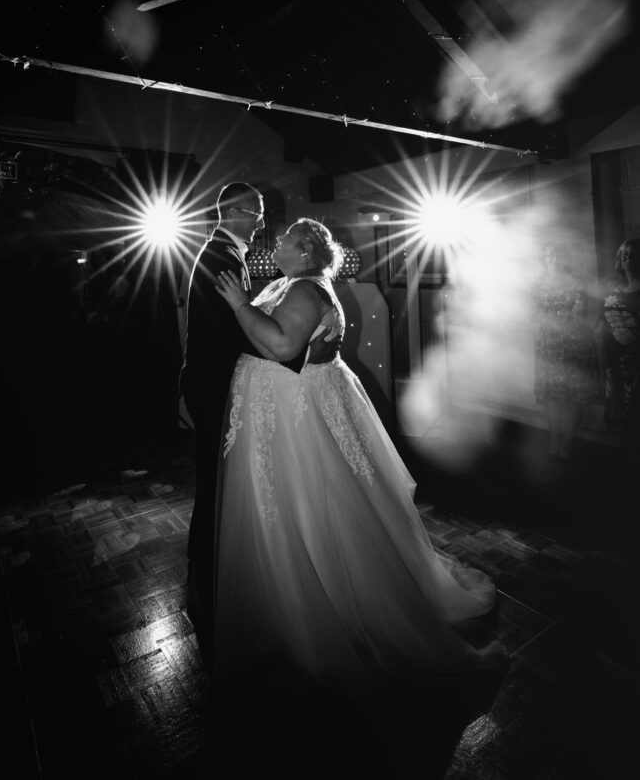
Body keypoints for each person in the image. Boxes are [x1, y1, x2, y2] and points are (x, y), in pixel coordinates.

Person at [213, 217, 506, 771]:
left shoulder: (307, 288)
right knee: (298, 516)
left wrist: (236, 304)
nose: (272, 244)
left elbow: (279, 344)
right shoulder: (291, 282)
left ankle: (316, 620)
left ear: (304, 250)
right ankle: (294, 606)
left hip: (293, 426)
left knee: (308, 515)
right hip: (282, 419)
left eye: (282, 240)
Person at [179, 181, 265, 669]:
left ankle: (205, 555)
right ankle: (207, 563)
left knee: (216, 469)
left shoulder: (221, 252)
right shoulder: (220, 256)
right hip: (214, 385)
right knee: (215, 472)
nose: (260, 218)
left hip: (209, 381)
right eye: (254, 211)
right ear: (233, 211)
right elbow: (230, 330)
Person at [530, 241, 600, 461]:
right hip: (548, 346)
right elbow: (534, 314)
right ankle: (554, 439)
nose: (554, 260)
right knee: (551, 393)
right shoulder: (538, 284)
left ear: (565, 259)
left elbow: (579, 313)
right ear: (544, 259)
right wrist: (551, 319)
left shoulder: (577, 283)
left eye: (558, 256)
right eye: (550, 256)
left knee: (572, 395)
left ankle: (567, 442)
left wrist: (552, 319)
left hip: (573, 346)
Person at [600, 238, 640, 453]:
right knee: (617, 409)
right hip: (614, 357)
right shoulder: (611, 286)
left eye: (632, 255)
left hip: (635, 359)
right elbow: (602, 319)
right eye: (624, 255)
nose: (627, 259)